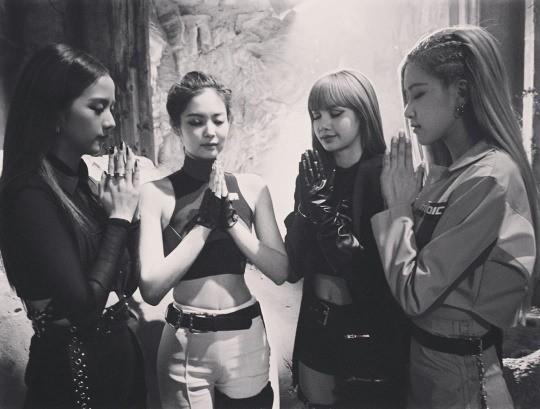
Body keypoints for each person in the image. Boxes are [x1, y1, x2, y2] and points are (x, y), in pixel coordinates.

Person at [371, 26, 540, 409]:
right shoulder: (451, 174)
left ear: (461, 92)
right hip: (430, 366)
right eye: (406, 97)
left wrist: (398, 210)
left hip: (461, 376)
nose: (407, 111)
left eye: (418, 94)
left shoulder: (491, 176)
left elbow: (415, 294)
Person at [0, 44, 146, 408]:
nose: (111, 122)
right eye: (97, 108)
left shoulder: (83, 183)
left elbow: (125, 285)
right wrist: (118, 220)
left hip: (117, 365)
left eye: (111, 108)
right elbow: (83, 311)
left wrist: (131, 219)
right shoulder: (27, 194)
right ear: (55, 111)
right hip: (74, 377)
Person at [138, 71, 289, 409]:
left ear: (229, 122)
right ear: (176, 127)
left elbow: (280, 270)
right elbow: (151, 288)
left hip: (246, 338)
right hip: (186, 345)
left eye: (218, 120)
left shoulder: (252, 187)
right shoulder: (156, 193)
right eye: (196, 122)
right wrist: (203, 226)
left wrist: (232, 223)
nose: (210, 131)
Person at [284, 69, 409, 409]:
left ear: (363, 113)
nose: (323, 125)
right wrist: (306, 210)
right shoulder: (313, 175)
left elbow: (372, 279)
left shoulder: (385, 174)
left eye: (335, 113)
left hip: (369, 329)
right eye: (316, 116)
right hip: (317, 325)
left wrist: (325, 218)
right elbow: (293, 267)